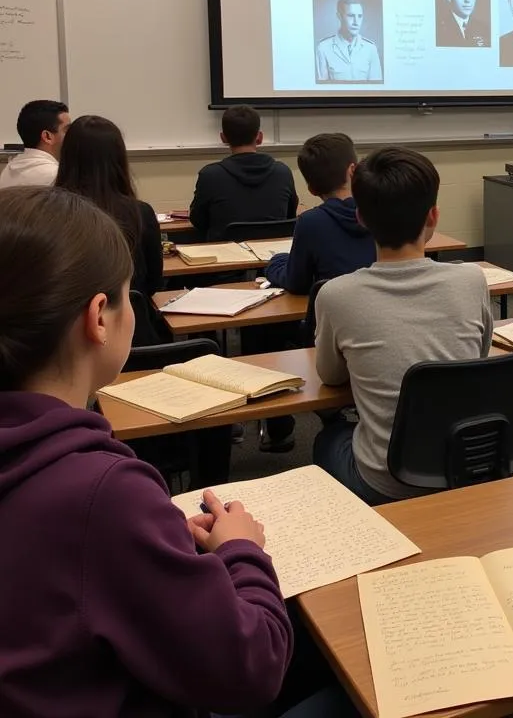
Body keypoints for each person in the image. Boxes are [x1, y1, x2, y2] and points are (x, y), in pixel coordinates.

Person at [0, 185, 293, 717]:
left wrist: (147, 545)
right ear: (99, 317)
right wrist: (241, 551)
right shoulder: (103, 493)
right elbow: (255, 666)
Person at [313, 146, 492, 504]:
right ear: (434, 216)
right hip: (473, 467)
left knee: (326, 440)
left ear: (360, 217)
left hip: (386, 483)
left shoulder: (336, 294)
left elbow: (330, 377)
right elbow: (479, 356)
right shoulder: (472, 279)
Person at [55, 115, 163, 298]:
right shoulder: (139, 212)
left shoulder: (50, 212)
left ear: (66, 155)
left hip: (68, 324)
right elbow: (154, 282)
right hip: (132, 319)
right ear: (119, 157)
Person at [265, 132, 375, 294]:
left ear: (311, 190)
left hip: (334, 315)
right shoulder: (381, 211)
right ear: (353, 170)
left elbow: (297, 283)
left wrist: (275, 263)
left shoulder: (311, 222)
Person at [189, 104, 298, 242]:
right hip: (274, 256)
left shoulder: (210, 175)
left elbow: (198, 221)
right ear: (259, 137)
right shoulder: (283, 172)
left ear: (223, 138)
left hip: (226, 256)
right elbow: (290, 216)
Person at [0, 99, 69, 188]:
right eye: (67, 130)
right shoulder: (56, 176)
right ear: (47, 137)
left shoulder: (8, 170)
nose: (72, 135)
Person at [315, 0, 382, 82]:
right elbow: (322, 91)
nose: (356, 22)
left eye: (360, 16)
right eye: (351, 16)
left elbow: (376, 89)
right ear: (339, 16)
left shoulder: (371, 49)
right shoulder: (323, 48)